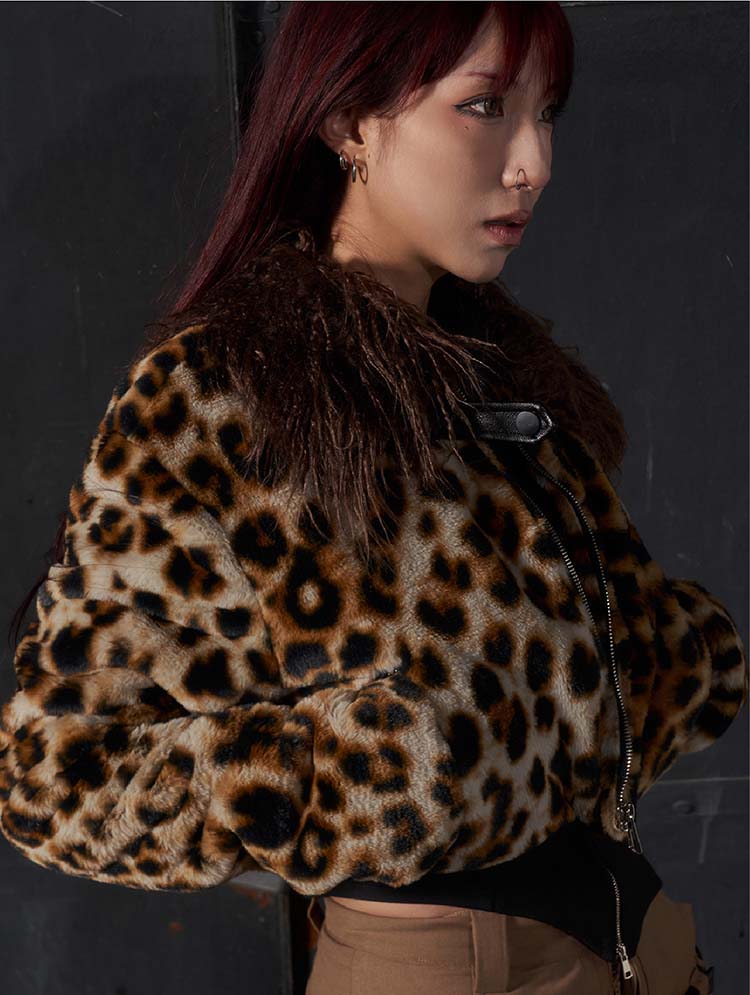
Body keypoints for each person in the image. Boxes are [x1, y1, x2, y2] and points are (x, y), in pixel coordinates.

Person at [0, 3, 745, 994]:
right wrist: (362, 784)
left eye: (545, 113)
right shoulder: (224, 391)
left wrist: (672, 659)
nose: (533, 163)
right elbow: (55, 775)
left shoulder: (501, 379)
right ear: (350, 122)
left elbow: (576, 687)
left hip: (626, 940)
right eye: (484, 106)